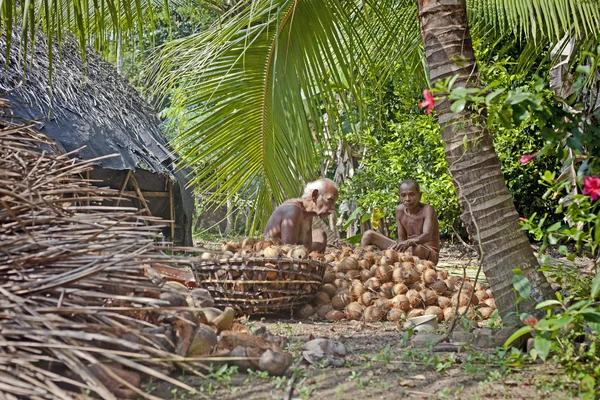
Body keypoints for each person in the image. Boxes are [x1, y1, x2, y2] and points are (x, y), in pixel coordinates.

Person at [361, 179, 440, 264]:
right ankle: (362, 263)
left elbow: (427, 236)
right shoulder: (400, 210)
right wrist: (396, 247)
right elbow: (402, 239)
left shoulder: (427, 209)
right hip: (408, 249)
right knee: (368, 235)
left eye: (411, 194)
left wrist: (407, 243)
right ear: (399, 197)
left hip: (427, 252)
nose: (407, 199)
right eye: (403, 195)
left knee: (418, 249)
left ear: (419, 195)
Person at [263, 178, 338, 253]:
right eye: (330, 200)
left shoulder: (308, 213)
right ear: (314, 196)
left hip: (299, 253)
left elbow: (306, 246)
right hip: (278, 255)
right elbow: (289, 252)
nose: (333, 207)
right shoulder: (293, 209)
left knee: (320, 234)